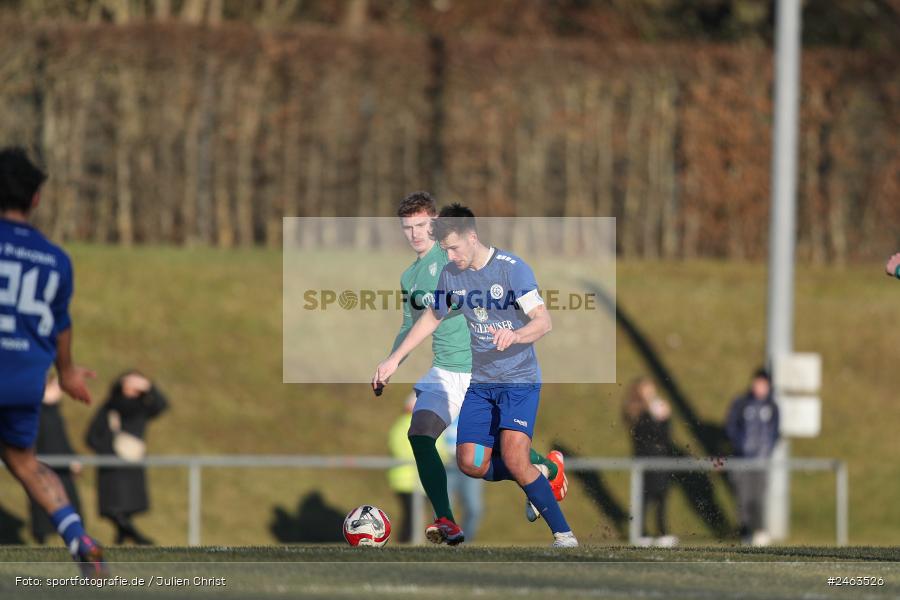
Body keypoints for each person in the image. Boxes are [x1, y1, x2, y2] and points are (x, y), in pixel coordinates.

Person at [374, 203, 576, 547]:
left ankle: (564, 535)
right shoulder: (450, 274)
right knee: (469, 462)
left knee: (513, 456)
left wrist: (516, 334)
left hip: (517, 379)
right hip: (480, 384)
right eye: (446, 250)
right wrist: (394, 359)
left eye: (453, 247)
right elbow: (431, 317)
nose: (450, 256)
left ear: (472, 237)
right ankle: (537, 472)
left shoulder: (512, 270)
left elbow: (544, 321)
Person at [0, 146, 105, 574]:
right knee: (24, 461)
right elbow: (60, 322)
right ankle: (79, 537)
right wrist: (66, 373)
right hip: (25, 380)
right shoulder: (56, 260)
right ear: (36, 198)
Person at [86, 371, 168, 545]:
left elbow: (162, 405)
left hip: (132, 464)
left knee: (128, 507)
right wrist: (109, 451)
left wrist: (149, 386)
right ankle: (138, 538)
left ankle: (122, 540)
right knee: (114, 508)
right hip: (113, 467)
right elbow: (91, 436)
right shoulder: (110, 406)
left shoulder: (142, 406)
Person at [725, 368, 780, 546]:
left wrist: (768, 449)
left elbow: (775, 432)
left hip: (762, 460)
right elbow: (731, 426)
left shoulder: (772, 406)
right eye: (757, 383)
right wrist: (739, 445)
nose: (759, 387)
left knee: (759, 496)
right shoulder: (741, 403)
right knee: (743, 495)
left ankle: (759, 530)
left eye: (763, 384)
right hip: (742, 459)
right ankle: (745, 531)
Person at [622, 377, 677, 547]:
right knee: (644, 496)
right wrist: (655, 417)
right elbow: (644, 434)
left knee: (661, 495)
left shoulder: (657, 406)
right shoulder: (635, 409)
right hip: (644, 457)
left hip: (661, 457)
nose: (650, 392)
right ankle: (640, 533)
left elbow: (665, 436)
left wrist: (665, 418)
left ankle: (662, 532)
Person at [29, 376, 83, 544]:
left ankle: (77, 541)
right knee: (43, 506)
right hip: (41, 467)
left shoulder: (55, 412)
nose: (60, 392)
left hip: (63, 468)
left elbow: (62, 440)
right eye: (56, 388)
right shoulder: (34, 412)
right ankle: (42, 540)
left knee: (70, 505)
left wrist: (72, 459)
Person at [386, 393, 422, 544]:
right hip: (406, 480)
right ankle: (405, 543)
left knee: (415, 515)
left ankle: (411, 541)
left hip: (420, 481)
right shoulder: (403, 425)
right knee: (411, 515)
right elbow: (400, 449)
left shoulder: (424, 425)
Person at [443, 413, 484, 542]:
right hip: (446, 463)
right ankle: (445, 541)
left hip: (471, 462)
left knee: (474, 507)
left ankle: (465, 542)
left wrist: (478, 461)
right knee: (444, 507)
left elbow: (484, 433)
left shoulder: (479, 402)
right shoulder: (445, 398)